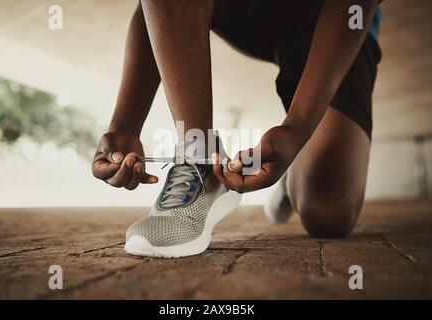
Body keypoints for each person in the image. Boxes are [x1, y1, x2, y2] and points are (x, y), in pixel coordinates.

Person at [92, 0, 382, 258]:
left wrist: (296, 131)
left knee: (328, 215)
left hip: (334, 18)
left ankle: (296, 163)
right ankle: (199, 159)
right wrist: (125, 124)